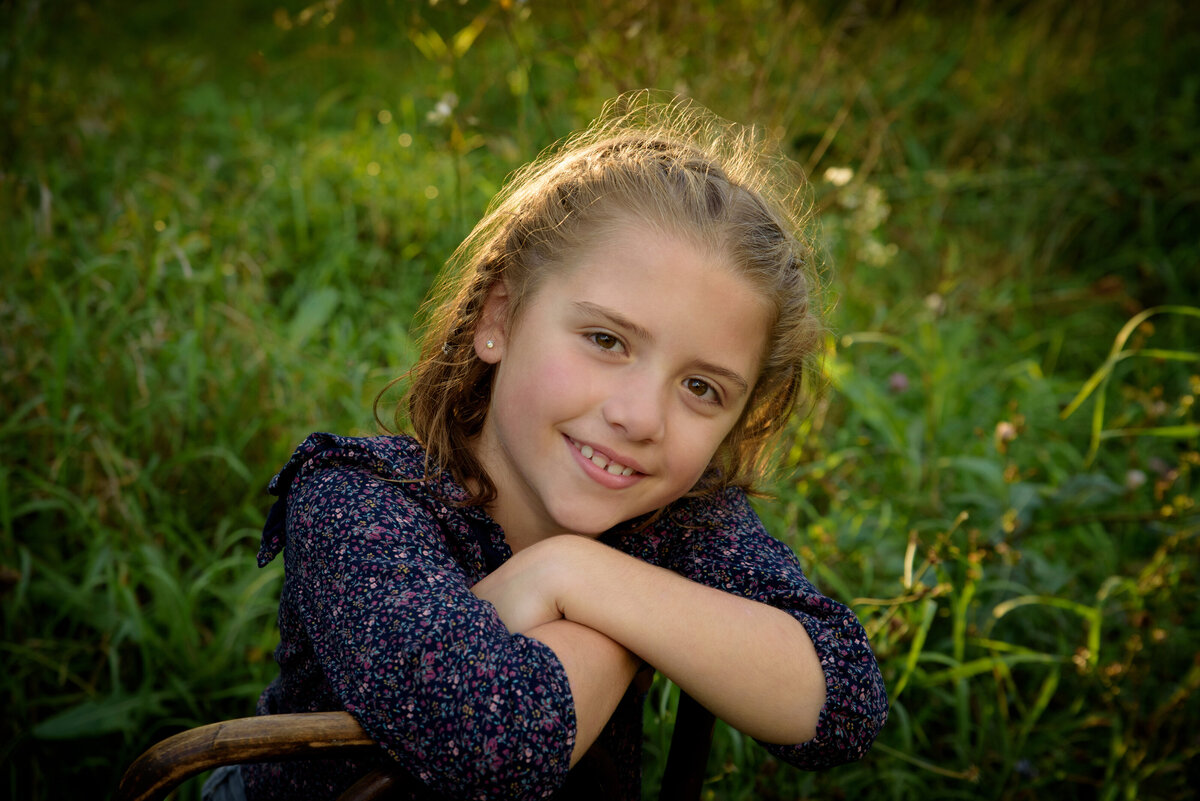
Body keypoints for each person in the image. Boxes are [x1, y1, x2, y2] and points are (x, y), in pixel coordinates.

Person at [214, 93, 887, 801]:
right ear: (498, 316)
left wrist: (574, 573)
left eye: (701, 387)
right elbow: (491, 740)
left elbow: (842, 701)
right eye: (606, 340)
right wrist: (638, 622)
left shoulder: (682, 518)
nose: (639, 417)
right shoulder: (358, 499)